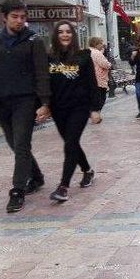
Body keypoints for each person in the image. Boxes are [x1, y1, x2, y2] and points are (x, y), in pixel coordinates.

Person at [0, 0, 51, 213]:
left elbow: (42, 72)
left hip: (24, 101)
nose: (19, 21)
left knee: (21, 145)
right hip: (0, 102)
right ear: (4, 17)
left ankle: (17, 191)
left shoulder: (33, 41)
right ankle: (36, 176)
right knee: (13, 143)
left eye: (23, 17)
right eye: (15, 17)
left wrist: (45, 102)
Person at [47, 20, 103, 202]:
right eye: (61, 32)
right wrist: (44, 105)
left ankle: (63, 187)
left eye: (68, 32)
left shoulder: (83, 56)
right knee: (72, 144)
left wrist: (95, 109)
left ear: (73, 35)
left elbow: (92, 84)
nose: (65, 35)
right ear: (56, 35)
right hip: (58, 108)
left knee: (70, 143)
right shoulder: (49, 57)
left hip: (79, 108)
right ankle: (88, 170)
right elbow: (44, 83)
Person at [88, 37, 112, 111]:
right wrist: (109, 64)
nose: (102, 45)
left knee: (93, 97)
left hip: (90, 79)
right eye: (101, 43)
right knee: (101, 98)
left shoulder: (88, 51)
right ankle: (95, 112)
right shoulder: (97, 53)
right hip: (99, 79)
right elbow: (105, 64)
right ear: (96, 44)